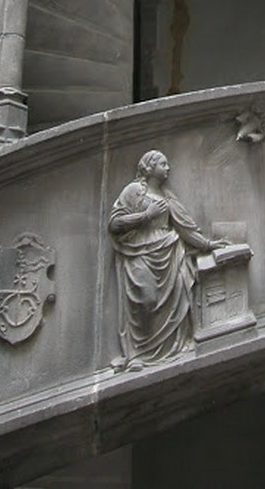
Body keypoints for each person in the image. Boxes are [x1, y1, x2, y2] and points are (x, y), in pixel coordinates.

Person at [108, 150, 226, 370]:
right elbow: (114, 224)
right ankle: (137, 353)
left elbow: (185, 229)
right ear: (150, 167)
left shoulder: (167, 197)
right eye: (163, 163)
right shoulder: (134, 191)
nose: (168, 168)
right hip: (139, 253)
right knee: (146, 299)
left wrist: (208, 245)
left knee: (175, 304)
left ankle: (174, 347)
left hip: (169, 253)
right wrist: (145, 216)